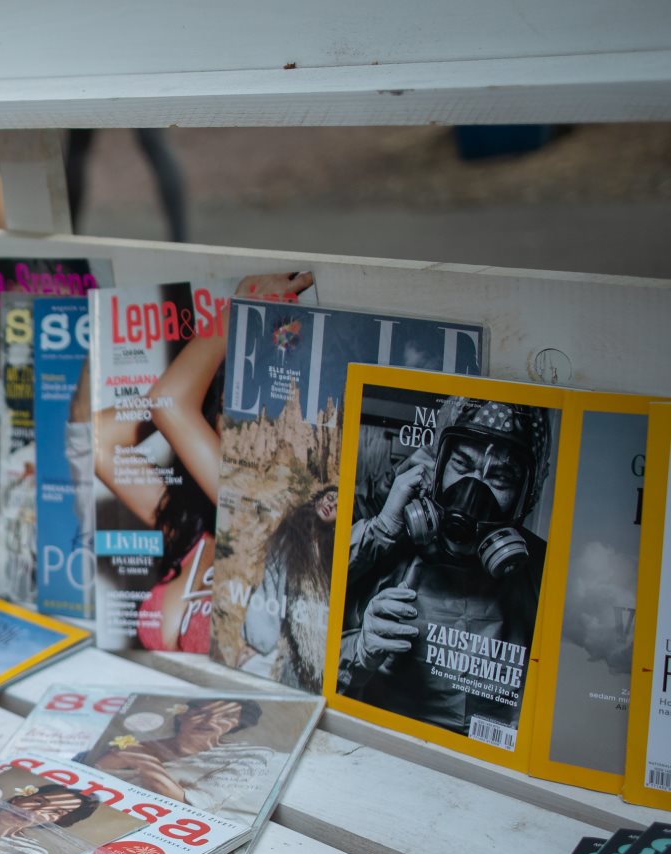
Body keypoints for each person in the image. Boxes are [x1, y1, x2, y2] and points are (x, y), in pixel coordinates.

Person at [91, 272, 313, 652]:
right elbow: (97, 439)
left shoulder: (271, 516)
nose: (238, 426)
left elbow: (172, 402)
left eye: (263, 413)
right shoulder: (193, 531)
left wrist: (234, 317)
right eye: (227, 408)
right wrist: (180, 401)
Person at [337, 396, 551, 737]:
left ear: (527, 495)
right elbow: (301, 613)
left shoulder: (544, 573)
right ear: (436, 466)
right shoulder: (386, 544)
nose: (471, 492)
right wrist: (381, 530)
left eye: (500, 480)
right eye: (462, 466)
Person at [83, 698, 277, 824]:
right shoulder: (137, 744)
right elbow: (92, 774)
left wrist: (145, 764)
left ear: (236, 724)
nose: (209, 721)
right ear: (182, 714)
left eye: (226, 716)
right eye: (201, 712)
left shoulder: (252, 755)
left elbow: (192, 803)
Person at [239, 486, 337, 688]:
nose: (330, 505)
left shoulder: (330, 553)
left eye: (337, 506)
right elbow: (271, 588)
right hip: (278, 650)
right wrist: (256, 644)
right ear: (318, 497)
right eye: (329, 498)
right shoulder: (292, 535)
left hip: (316, 662)